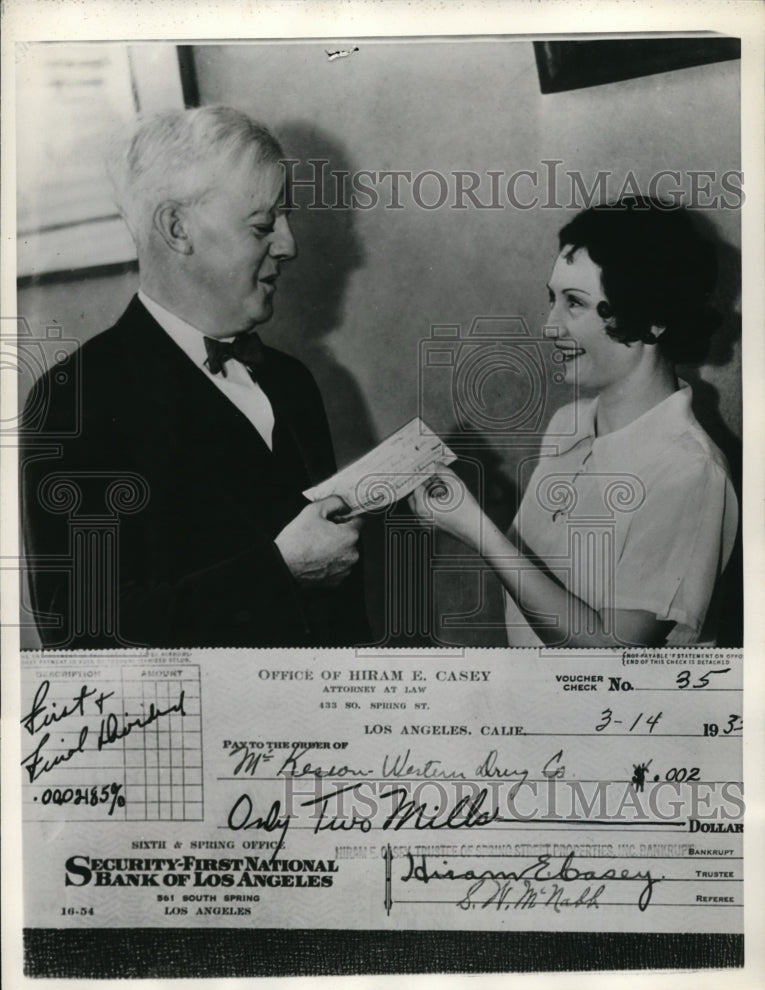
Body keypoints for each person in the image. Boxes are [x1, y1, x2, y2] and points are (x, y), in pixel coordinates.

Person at [21, 105, 369, 648]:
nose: (289, 244)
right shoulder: (76, 398)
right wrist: (280, 571)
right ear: (177, 229)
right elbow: (81, 638)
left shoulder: (292, 382)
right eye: (263, 225)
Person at [410, 198, 738, 647]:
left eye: (575, 303)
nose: (549, 325)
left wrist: (478, 532)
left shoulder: (690, 473)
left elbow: (610, 654)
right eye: (552, 299)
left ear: (654, 319)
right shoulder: (569, 424)